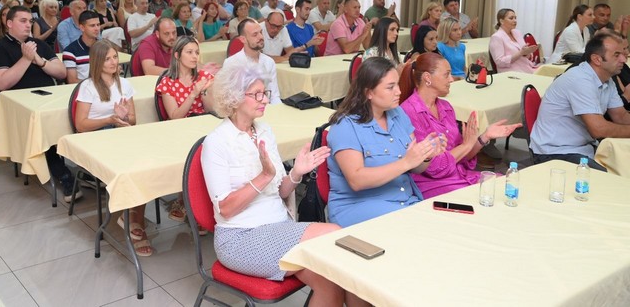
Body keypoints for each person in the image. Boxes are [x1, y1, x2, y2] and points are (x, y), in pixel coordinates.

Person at [201, 59, 366, 306]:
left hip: (279, 227)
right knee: (334, 236)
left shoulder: (264, 131)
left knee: (333, 281)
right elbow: (225, 208)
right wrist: (263, 177)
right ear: (234, 98)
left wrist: (296, 173)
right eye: (256, 95)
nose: (265, 100)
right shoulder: (217, 142)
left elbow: (279, 193)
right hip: (240, 238)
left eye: (265, 93)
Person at [326, 57, 445, 227]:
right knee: (424, 227)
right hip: (358, 206)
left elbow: (414, 167)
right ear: (369, 92)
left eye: (397, 84)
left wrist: (425, 155)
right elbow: (357, 180)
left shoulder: (398, 114)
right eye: (390, 87)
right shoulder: (345, 126)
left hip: (403, 200)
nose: (399, 91)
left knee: (441, 225)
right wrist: (406, 162)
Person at [0, 7, 79, 201]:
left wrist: (40, 61)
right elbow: (2, 83)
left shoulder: (39, 44)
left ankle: (87, 167)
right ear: (9, 23)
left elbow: (61, 72)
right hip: (17, 106)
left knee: (82, 114)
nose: (28, 25)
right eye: (23, 21)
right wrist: (26, 59)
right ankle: (64, 175)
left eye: (30, 21)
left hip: (47, 97)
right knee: (42, 125)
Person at [399, 53, 520, 198]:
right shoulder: (409, 112)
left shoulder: (446, 107)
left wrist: (484, 137)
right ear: (427, 78)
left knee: (503, 184)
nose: (451, 79)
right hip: (432, 184)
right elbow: (433, 168)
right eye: (446, 75)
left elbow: (462, 155)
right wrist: (466, 146)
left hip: (458, 176)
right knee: (487, 196)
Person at [530, 31, 630, 170]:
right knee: (608, 178)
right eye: (616, 55)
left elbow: (621, 116)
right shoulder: (580, 80)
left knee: (623, 168)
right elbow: (598, 130)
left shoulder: (607, 80)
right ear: (597, 59)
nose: (623, 59)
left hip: (583, 148)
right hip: (555, 152)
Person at [224, 19, 281, 104]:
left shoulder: (269, 62)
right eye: (255, 34)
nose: (261, 37)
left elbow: (274, 96)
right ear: (243, 39)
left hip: (267, 108)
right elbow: (228, 99)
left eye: (261, 32)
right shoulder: (231, 63)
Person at [156, 36, 215, 120]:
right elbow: (174, 117)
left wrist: (205, 92)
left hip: (205, 121)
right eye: (189, 52)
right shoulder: (167, 83)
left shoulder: (205, 77)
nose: (195, 56)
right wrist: (193, 94)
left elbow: (213, 111)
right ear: (177, 55)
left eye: (197, 52)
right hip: (183, 125)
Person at [488, 8, 540, 74]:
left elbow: (527, 56)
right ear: (501, 21)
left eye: (515, 18)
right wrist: (520, 53)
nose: (515, 21)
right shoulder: (496, 37)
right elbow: (500, 62)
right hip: (511, 73)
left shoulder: (517, 33)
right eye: (511, 18)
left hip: (527, 68)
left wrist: (527, 52)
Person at [63, 11, 101, 83]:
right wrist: (97, 84)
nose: (97, 28)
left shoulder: (105, 47)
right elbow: (72, 81)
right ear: (82, 27)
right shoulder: (70, 51)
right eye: (92, 25)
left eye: (98, 25)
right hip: (83, 88)